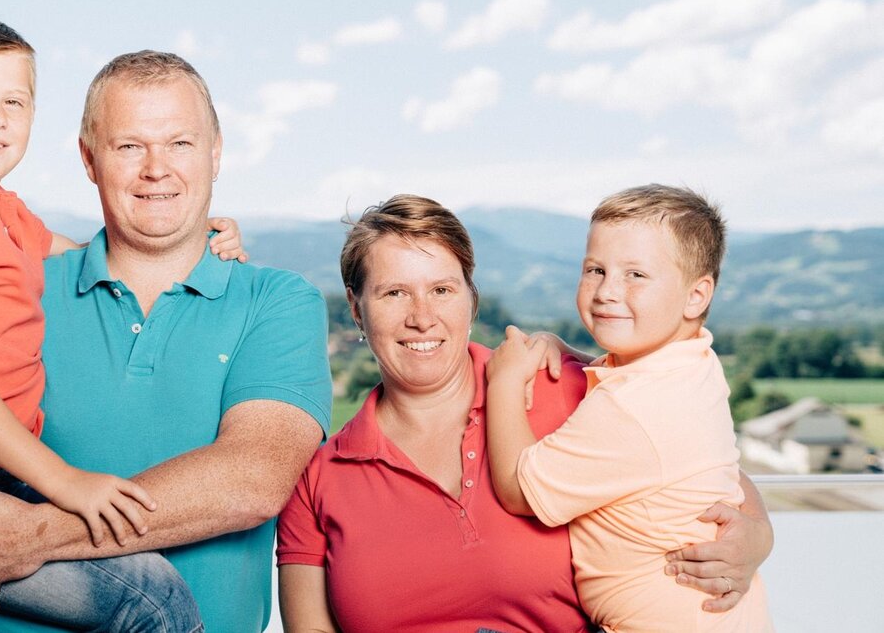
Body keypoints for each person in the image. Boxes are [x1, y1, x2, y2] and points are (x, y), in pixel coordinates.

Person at [0, 49, 331, 633]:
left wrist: (39, 535)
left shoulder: (276, 300)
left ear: (215, 154)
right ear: (89, 159)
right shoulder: (21, 283)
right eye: (129, 146)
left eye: (180, 143)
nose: (157, 169)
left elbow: (252, 478)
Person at [276, 194, 773, 633]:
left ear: (471, 299)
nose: (421, 317)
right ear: (356, 308)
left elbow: (694, 458)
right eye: (394, 293)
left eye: (442, 290)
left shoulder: (559, 386)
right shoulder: (320, 478)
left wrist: (757, 533)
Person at [485, 185, 773, 631]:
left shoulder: (633, 410)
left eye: (636, 275)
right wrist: (567, 352)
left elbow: (518, 491)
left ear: (696, 296)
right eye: (595, 269)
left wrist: (503, 381)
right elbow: (631, 383)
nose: (606, 291)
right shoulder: (693, 362)